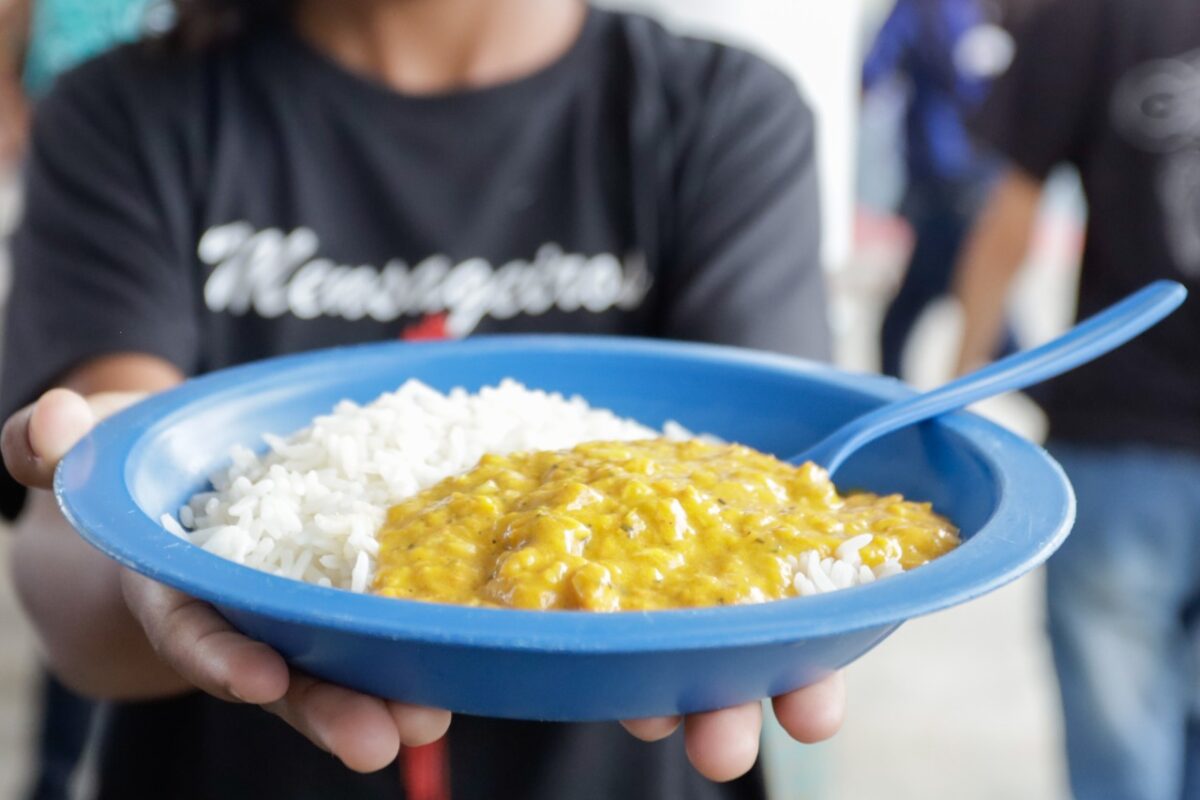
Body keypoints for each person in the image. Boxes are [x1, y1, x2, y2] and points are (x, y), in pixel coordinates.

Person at [0, 1, 845, 798]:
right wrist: (142, 544)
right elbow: (84, 559)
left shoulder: (715, 113)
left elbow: (764, 479)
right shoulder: (131, 111)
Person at [952, 1, 1200, 798]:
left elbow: (1010, 219)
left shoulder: (1094, 13)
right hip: (1119, 436)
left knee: (1117, 754)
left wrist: (959, 393)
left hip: (1119, 441)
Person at [861, 0, 1015, 379]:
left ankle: (1060, 397)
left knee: (982, 316)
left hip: (943, 183)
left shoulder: (921, 8)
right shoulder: (999, 12)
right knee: (910, 315)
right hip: (986, 180)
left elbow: (871, 75)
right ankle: (896, 410)